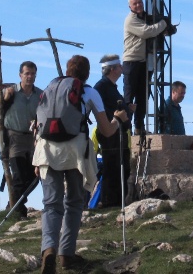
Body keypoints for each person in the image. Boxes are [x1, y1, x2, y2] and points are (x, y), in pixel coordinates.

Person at [35, 55, 129, 274]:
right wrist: (118, 119)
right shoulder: (89, 92)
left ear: (67, 71)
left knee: (51, 203)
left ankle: (48, 248)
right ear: (87, 73)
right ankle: (66, 254)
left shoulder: (51, 88)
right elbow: (106, 130)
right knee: (74, 201)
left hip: (46, 149)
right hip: (75, 150)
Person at [0, 61, 42, 219]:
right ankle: (17, 210)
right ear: (20, 75)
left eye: (32, 73)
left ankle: (14, 205)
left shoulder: (40, 94)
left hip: (32, 139)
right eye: (27, 74)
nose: (30, 77)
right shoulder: (12, 91)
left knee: (34, 175)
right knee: (18, 175)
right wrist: (4, 97)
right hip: (14, 137)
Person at [122, 0, 175, 134]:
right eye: (135, 3)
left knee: (142, 96)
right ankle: (124, 129)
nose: (139, 5)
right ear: (130, 6)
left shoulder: (145, 18)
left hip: (143, 62)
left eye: (140, 2)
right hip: (131, 62)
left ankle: (139, 128)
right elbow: (148, 32)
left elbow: (153, 30)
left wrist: (164, 27)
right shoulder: (130, 20)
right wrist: (163, 23)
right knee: (129, 96)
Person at [93, 54, 133, 208]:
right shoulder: (101, 87)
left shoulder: (111, 87)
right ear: (112, 69)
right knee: (112, 169)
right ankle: (110, 202)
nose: (122, 69)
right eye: (119, 66)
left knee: (121, 168)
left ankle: (117, 201)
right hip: (110, 134)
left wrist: (128, 111)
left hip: (120, 134)